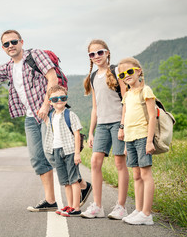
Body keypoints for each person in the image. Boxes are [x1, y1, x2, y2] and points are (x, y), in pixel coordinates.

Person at [0, 29, 91, 212]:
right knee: (38, 158)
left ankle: (82, 185)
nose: (10, 46)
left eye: (13, 42)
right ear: (3, 48)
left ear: (21, 41)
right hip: (31, 117)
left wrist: (46, 106)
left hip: (51, 113)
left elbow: (52, 77)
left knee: (54, 154)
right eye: (6, 44)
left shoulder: (35, 55)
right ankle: (50, 200)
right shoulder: (8, 68)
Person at [80, 39, 129, 219]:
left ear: (107, 53)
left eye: (100, 52)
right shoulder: (92, 77)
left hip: (118, 122)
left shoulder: (117, 71)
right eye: (92, 54)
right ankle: (98, 206)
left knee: (119, 163)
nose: (96, 57)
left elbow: (125, 100)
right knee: (95, 162)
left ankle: (121, 207)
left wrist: (123, 126)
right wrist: (91, 131)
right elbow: (95, 107)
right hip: (101, 125)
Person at [118, 57, 156, 225]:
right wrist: (126, 143)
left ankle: (147, 214)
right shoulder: (126, 95)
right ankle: (139, 210)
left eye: (129, 71)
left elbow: (153, 117)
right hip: (130, 138)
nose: (126, 75)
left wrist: (149, 140)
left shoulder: (145, 90)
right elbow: (125, 118)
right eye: (122, 74)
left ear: (139, 71)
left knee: (146, 174)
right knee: (136, 175)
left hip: (142, 136)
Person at [44, 85, 83, 217]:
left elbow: (77, 134)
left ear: (66, 99)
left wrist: (77, 153)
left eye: (62, 97)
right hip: (56, 150)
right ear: (50, 102)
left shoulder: (70, 115)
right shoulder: (51, 116)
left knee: (74, 180)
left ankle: (76, 207)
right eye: (55, 99)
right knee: (65, 181)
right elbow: (50, 134)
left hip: (70, 150)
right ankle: (69, 206)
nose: (59, 100)